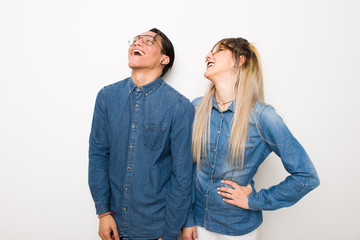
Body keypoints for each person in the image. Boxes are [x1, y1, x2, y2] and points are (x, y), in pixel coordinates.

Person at [182, 37, 320, 240]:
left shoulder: (263, 116)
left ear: (239, 60)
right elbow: (185, 171)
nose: (207, 56)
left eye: (219, 50)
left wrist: (254, 201)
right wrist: (187, 220)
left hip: (238, 229)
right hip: (199, 225)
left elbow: (306, 177)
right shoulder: (195, 107)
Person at [89, 28, 194, 240]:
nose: (137, 43)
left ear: (164, 58)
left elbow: (182, 175)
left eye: (148, 41)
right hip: (114, 224)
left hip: (155, 229)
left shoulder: (179, 107)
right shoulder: (106, 97)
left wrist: (170, 232)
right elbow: (98, 156)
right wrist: (103, 213)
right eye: (135, 40)